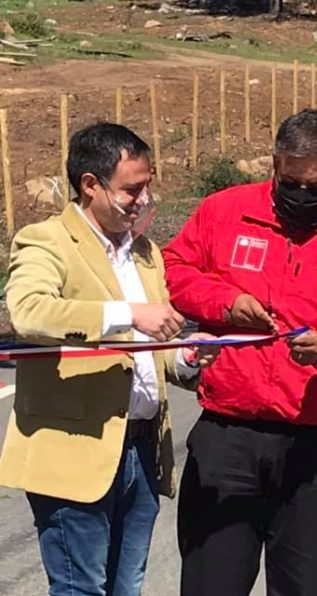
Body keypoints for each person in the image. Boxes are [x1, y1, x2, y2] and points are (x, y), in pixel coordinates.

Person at [163, 109, 317, 596]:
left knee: (302, 585)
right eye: (290, 181)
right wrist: (227, 304)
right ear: (274, 164)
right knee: (211, 581)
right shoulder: (223, 212)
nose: (300, 195)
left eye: (314, 187)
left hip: (315, 445)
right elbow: (173, 270)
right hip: (228, 432)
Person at [0, 122, 218, 596]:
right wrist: (129, 313)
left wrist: (185, 357)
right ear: (90, 185)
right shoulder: (45, 240)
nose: (142, 200)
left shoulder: (145, 254)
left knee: (127, 585)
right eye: (131, 189)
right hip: (74, 452)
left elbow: (152, 353)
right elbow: (29, 311)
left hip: (141, 449)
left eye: (147, 187)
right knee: (82, 588)